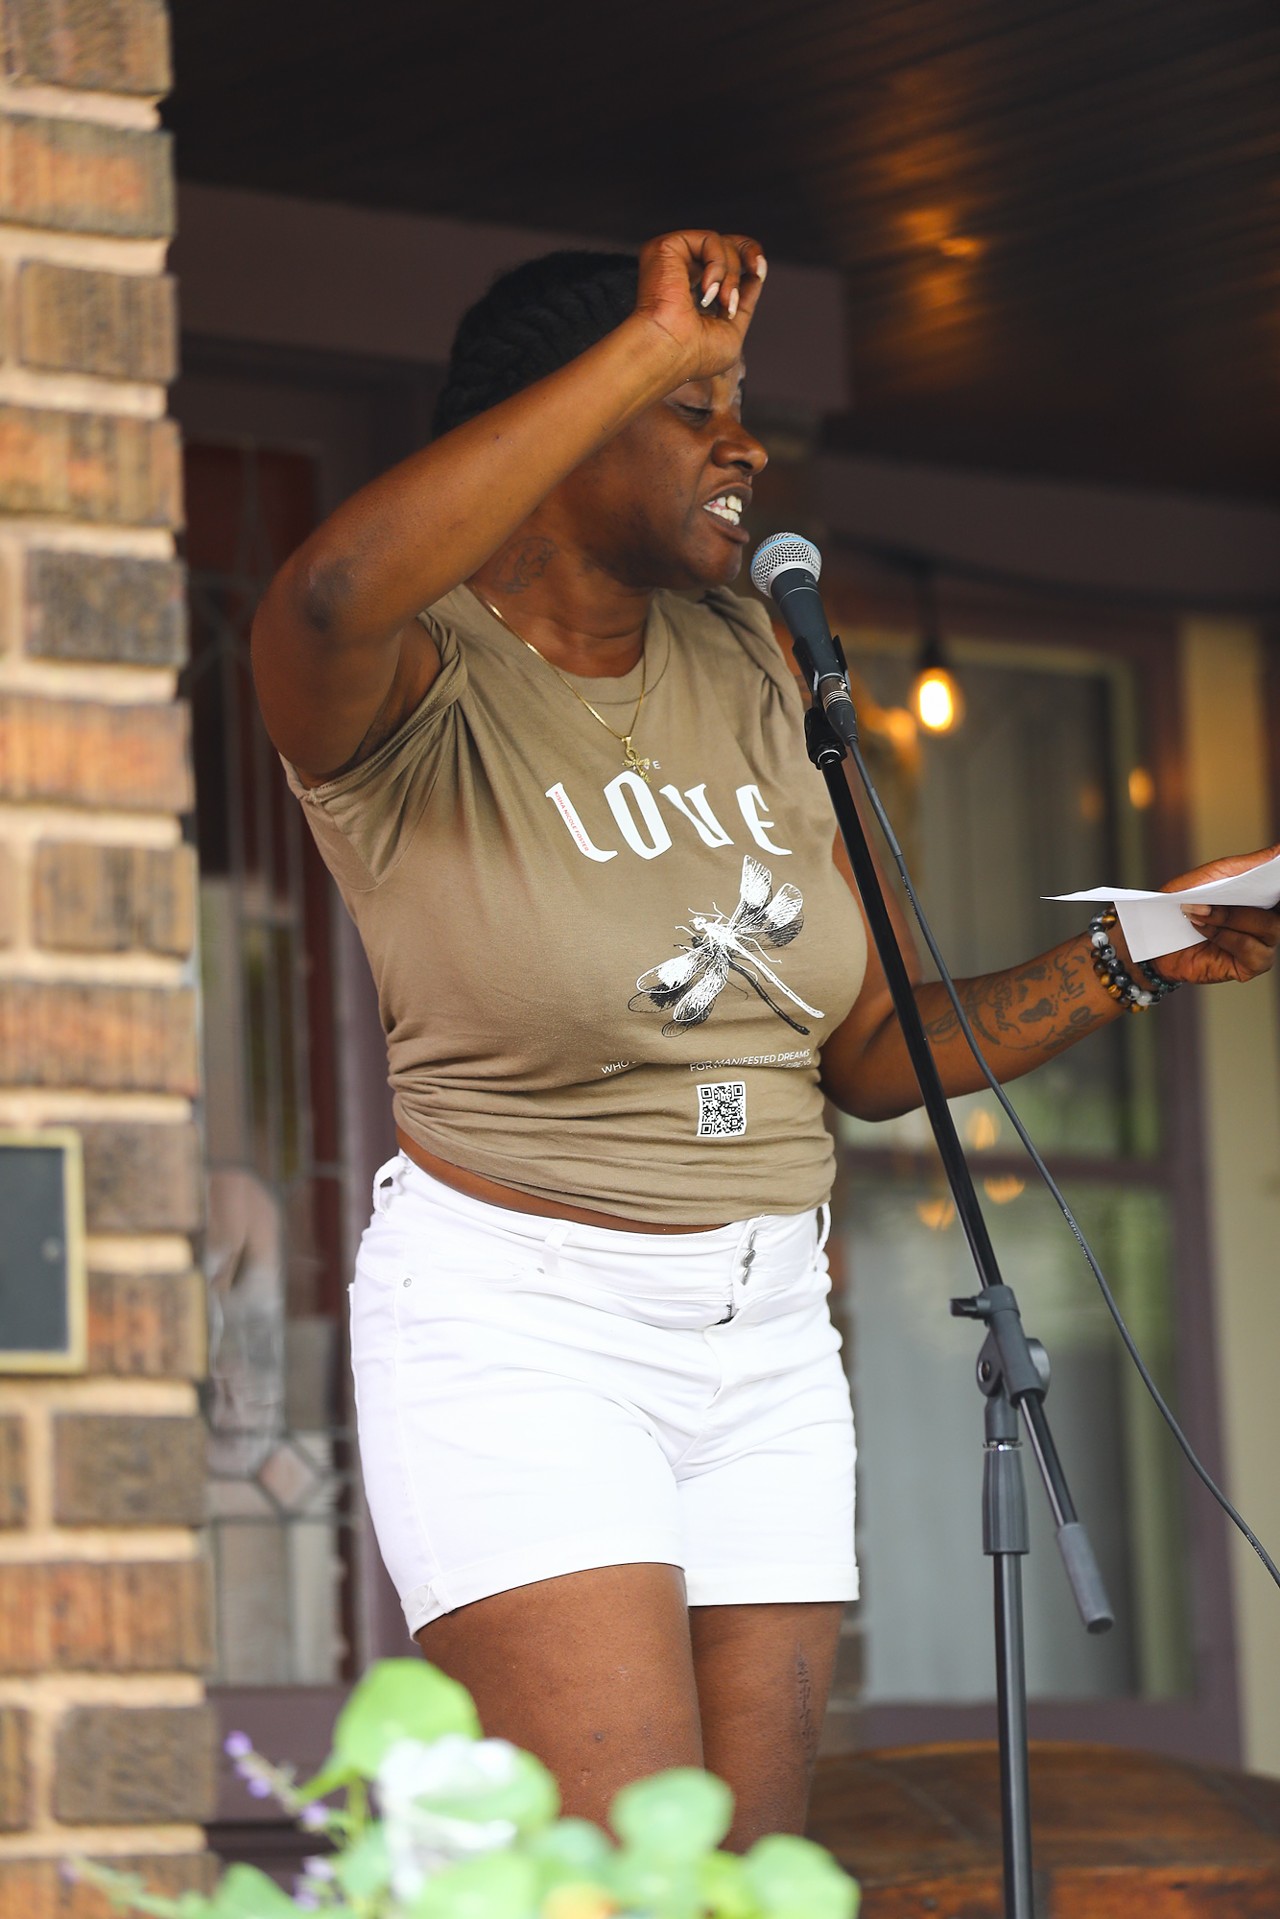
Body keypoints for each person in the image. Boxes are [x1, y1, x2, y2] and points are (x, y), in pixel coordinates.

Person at [251, 229, 1279, 1847]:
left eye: (743, 406)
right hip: (526, 1328)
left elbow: (867, 1051)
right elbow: (320, 591)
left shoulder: (760, 659)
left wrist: (1139, 955)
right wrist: (643, 343)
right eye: (693, 404)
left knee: (752, 1867)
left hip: (767, 1334)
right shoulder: (415, 678)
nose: (746, 445)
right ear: (564, 419)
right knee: (634, 1863)